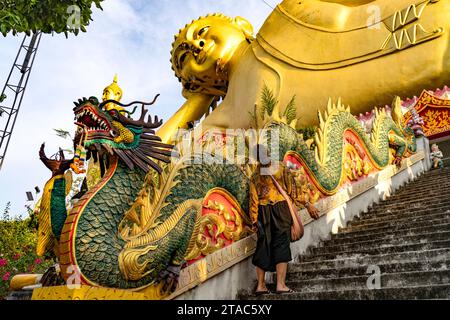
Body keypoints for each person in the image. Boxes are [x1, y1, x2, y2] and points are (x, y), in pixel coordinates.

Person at [249, 144, 320, 295]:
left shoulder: (255, 175)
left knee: (263, 246)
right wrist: (307, 204)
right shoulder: (279, 168)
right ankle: (280, 285)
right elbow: (293, 190)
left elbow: (253, 202)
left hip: (264, 211)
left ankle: (261, 286)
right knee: (280, 244)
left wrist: (255, 221)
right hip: (280, 209)